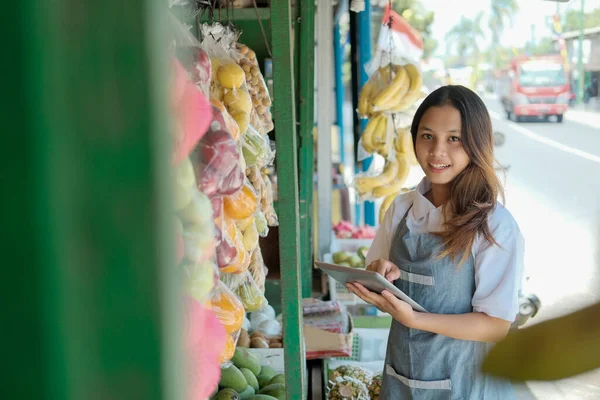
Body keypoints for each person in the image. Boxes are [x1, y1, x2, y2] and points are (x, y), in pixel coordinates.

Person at [347, 85, 523, 399]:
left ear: (476, 143)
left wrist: (415, 319)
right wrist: (378, 272)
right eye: (427, 136)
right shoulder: (401, 209)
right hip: (403, 376)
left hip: (467, 384)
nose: (437, 151)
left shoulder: (495, 225)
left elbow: (496, 325)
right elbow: (377, 274)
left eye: (453, 139)